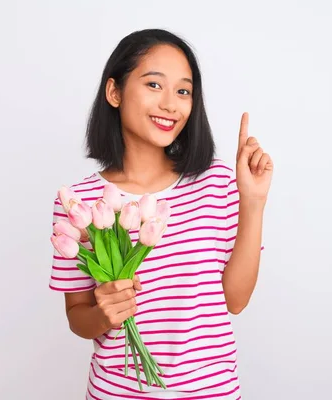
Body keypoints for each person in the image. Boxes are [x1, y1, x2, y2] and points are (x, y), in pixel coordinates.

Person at [48, 28, 273, 399]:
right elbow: (78, 317)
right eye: (154, 85)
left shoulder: (216, 181)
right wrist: (105, 312)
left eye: (183, 91)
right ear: (114, 92)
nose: (171, 104)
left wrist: (252, 202)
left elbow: (235, 300)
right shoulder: (79, 201)